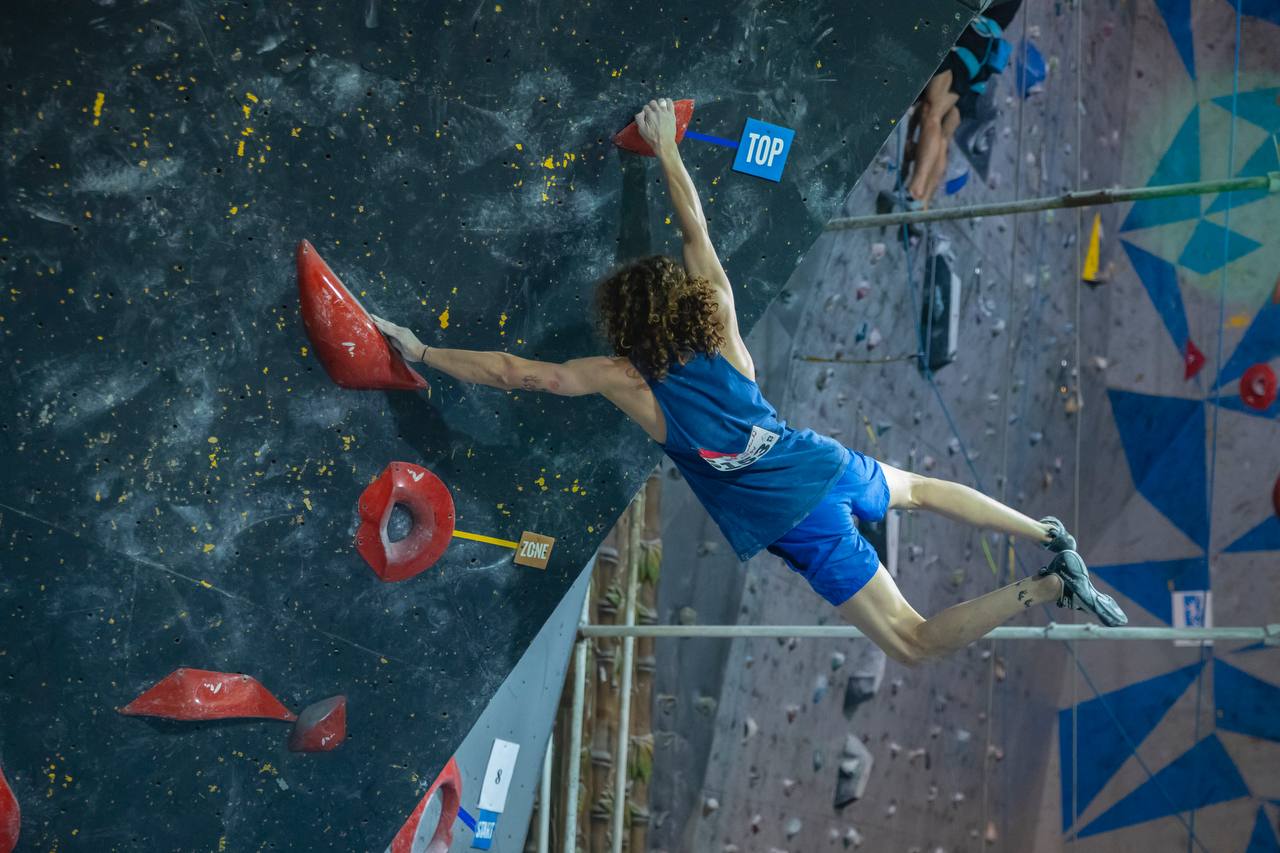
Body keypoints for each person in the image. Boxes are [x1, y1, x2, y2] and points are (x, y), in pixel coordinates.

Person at [371, 98, 1126, 667]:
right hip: (822, 461)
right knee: (920, 490)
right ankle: (1047, 533)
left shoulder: (626, 380)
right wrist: (667, 148)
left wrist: (422, 349)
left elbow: (516, 373)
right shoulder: (723, 328)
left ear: (625, 324)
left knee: (914, 641)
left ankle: (1047, 587)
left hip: (801, 517)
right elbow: (694, 229)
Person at [897, 0, 1022, 208]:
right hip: (977, 55)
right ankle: (923, 203)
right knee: (941, 131)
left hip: (967, 44)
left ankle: (916, 191)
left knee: (931, 112)